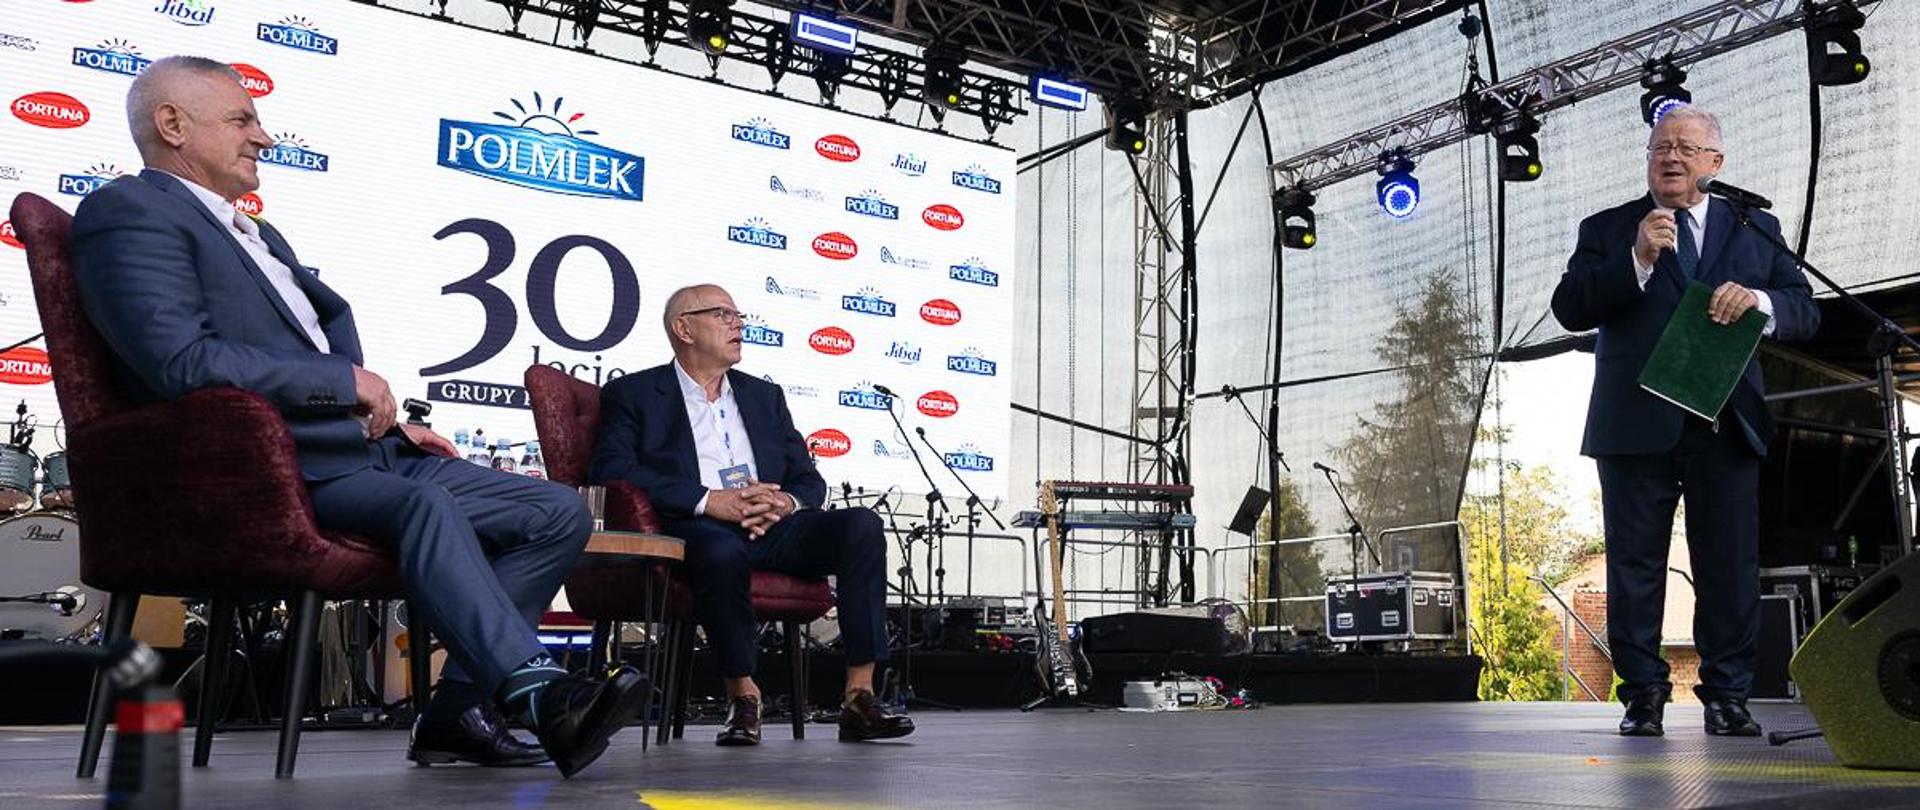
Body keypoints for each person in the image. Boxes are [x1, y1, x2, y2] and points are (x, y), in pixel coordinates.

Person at [67, 56, 644, 777]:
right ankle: (534, 691)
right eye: (243, 119)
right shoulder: (130, 212)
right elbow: (178, 361)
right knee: (427, 502)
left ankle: (456, 710)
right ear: (172, 124)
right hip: (270, 473)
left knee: (557, 512)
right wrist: (340, 381)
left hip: (359, 454)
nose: (265, 137)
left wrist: (392, 424)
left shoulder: (261, 236)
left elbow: (282, 348)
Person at [1551, 104, 1819, 738]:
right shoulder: (1611, 227)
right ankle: (1642, 696)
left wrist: (1760, 301)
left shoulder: (1756, 227)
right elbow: (1569, 307)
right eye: (1659, 148)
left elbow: (1807, 310)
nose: (1670, 157)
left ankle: (1728, 697)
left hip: (1724, 420)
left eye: (1686, 148)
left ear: (1715, 163)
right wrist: (1636, 261)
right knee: (1634, 565)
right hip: (1634, 422)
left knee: (1727, 566)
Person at [590, 284, 914, 745]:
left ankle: (859, 695)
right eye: (722, 314)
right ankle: (743, 696)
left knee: (861, 526)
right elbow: (612, 468)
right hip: (698, 525)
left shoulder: (765, 397)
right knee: (719, 549)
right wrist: (708, 500)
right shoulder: (635, 393)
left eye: (737, 314)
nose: (737, 324)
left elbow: (807, 478)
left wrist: (784, 503)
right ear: (684, 328)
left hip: (775, 527)